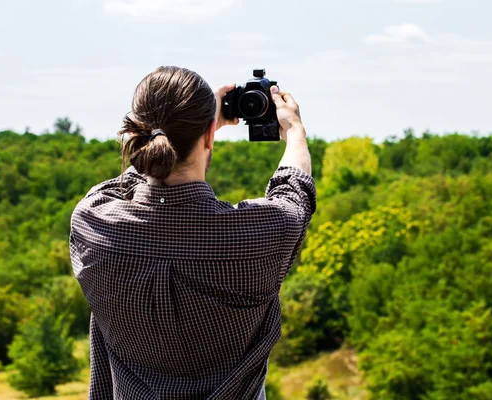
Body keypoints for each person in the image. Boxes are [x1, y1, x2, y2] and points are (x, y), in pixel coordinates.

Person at [70, 66, 316, 399]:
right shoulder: (256, 237)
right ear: (210, 135)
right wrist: (294, 129)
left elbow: (121, 184)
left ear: (138, 137)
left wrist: (188, 128)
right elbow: (294, 192)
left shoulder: (92, 224)